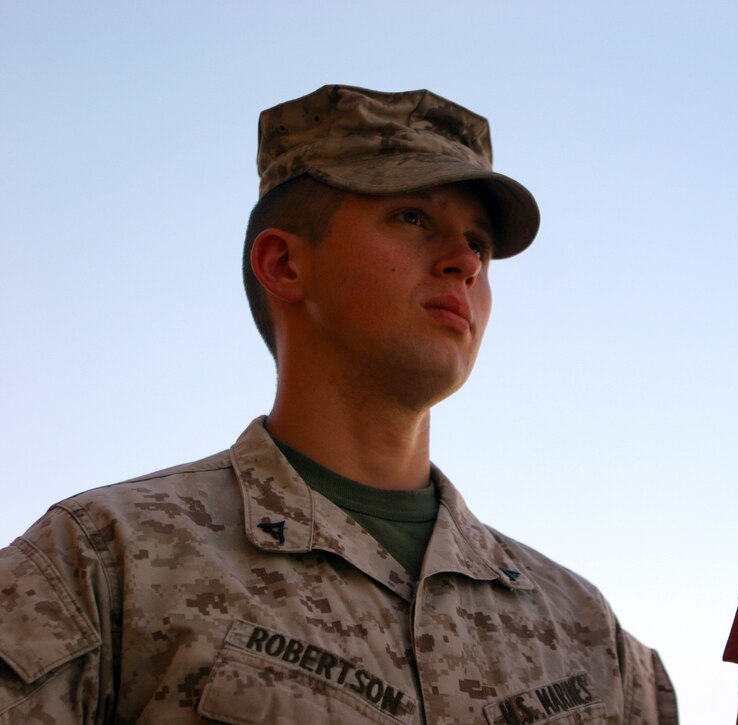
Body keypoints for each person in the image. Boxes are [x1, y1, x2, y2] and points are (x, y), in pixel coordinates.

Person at [0, 85, 677, 724]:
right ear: (286, 264)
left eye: (479, 243)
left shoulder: (592, 639)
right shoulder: (101, 563)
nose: (464, 263)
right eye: (413, 218)